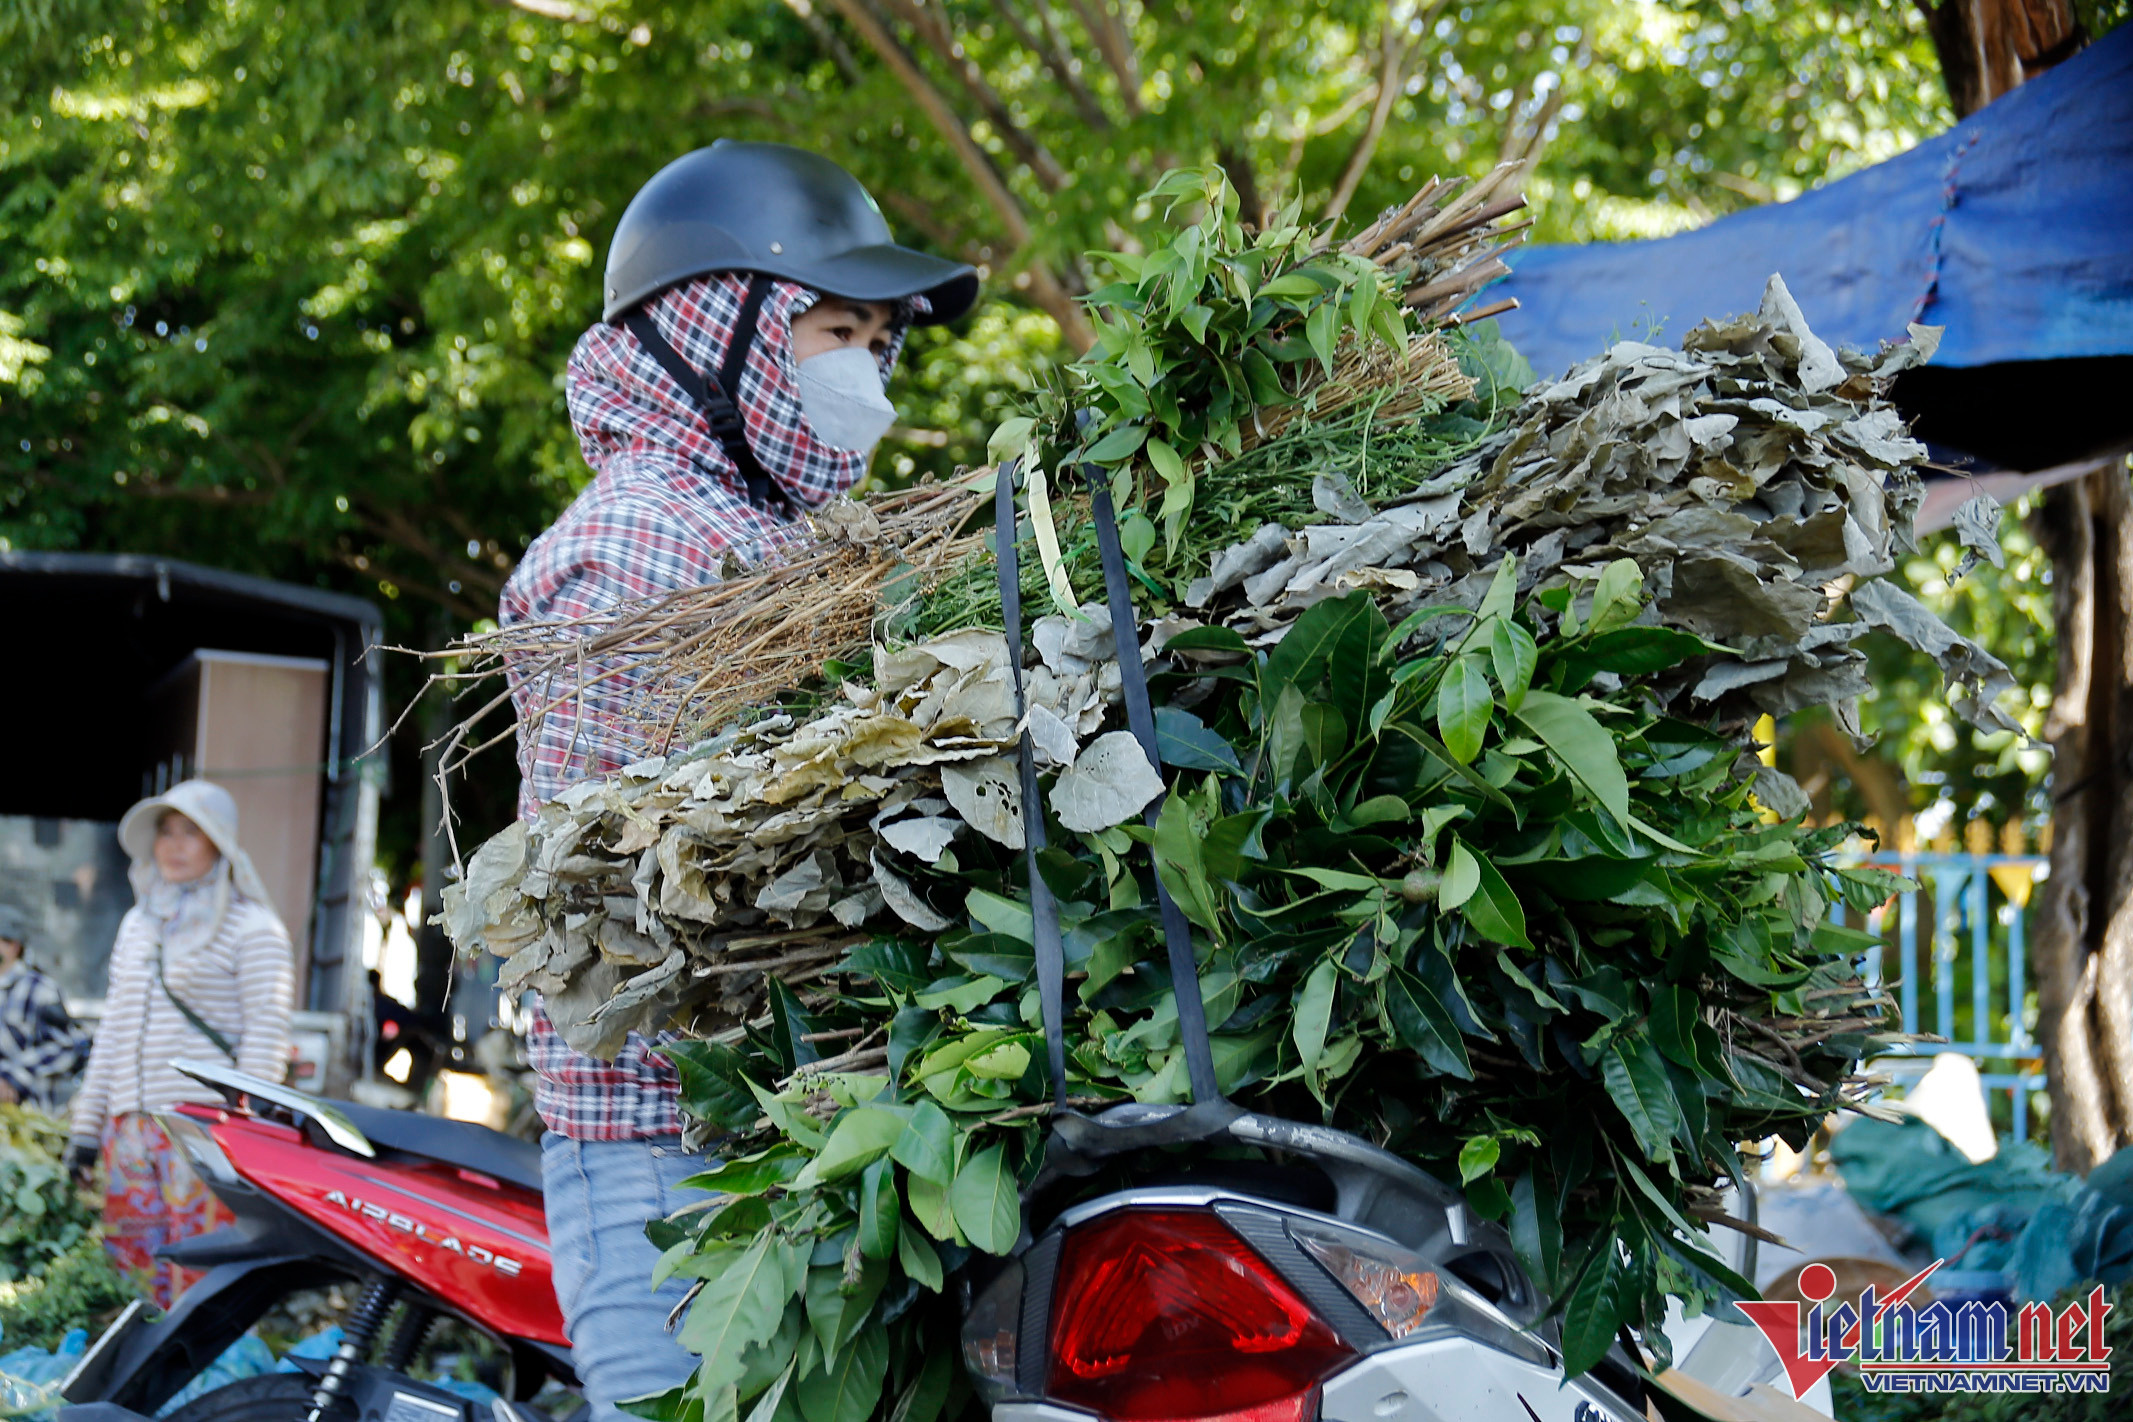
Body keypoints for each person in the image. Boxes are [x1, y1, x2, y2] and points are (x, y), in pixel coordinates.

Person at [498, 141, 975, 1421]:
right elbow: (600, 912)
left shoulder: (776, 542)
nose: (865, 370)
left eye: (882, 339)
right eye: (836, 330)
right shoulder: (639, 546)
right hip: (670, 1149)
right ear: (726, 331)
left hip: (789, 1136)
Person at [66, 779, 296, 1307]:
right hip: (129, 1127)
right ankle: (133, 1386)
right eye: (166, 833)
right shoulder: (137, 924)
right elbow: (113, 1030)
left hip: (203, 1127)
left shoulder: (253, 928)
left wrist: (249, 1128)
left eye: (191, 833)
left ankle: (201, 1388)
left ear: (220, 842)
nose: (173, 845)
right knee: (128, 1275)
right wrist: (86, 1127)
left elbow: (266, 1032)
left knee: (200, 1272)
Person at [0, 904, 91, 1113]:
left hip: (27, 1116)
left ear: (13, 946)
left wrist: (13, 1079)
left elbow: (68, 1044)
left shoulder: (40, 990)